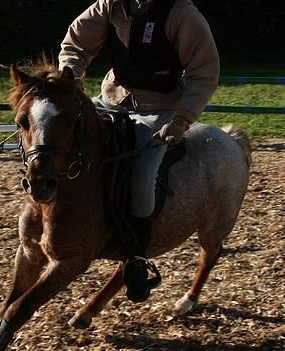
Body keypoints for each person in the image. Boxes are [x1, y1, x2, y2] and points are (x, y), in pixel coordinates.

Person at [58, 0, 219, 301]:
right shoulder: (110, 5)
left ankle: (135, 257)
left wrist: (182, 120)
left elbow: (204, 71)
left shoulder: (181, 14)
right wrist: (71, 73)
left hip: (159, 108)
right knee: (63, 144)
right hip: (111, 99)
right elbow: (76, 41)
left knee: (143, 175)